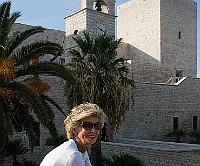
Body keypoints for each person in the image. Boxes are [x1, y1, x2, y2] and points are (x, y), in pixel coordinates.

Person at [40, 103, 105, 166]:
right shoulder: (73, 155)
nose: (93, 130)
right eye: (87, 125)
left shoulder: (80, 150)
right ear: (74, 129)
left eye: (97, 125)